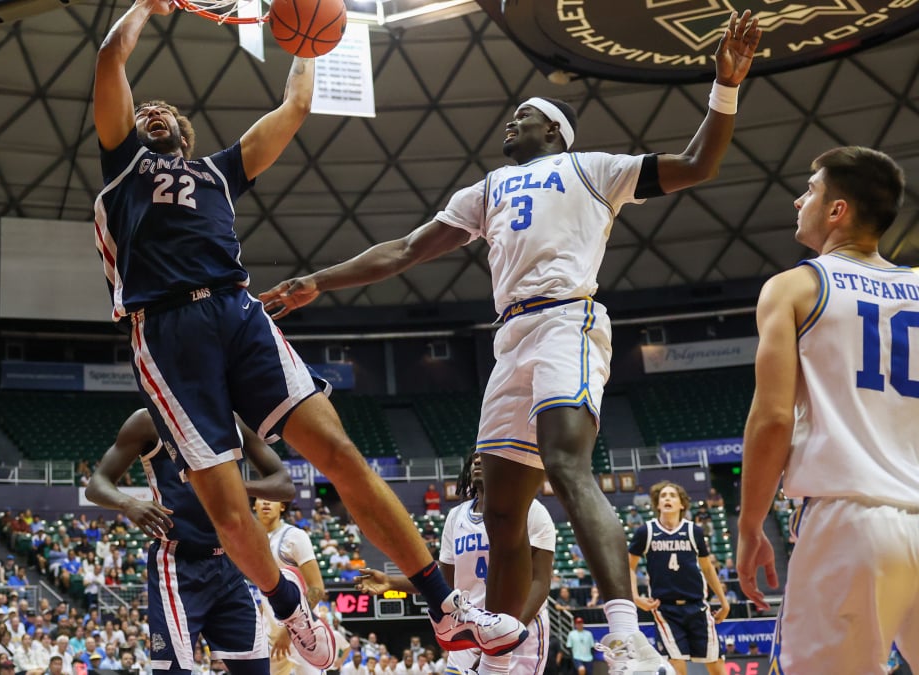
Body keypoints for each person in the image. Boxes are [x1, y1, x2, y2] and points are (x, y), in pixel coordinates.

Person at [259, 11, 761, 672]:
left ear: (553, 128)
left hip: (566, 320)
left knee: (567, 464)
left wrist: (723, 87)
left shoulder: (592, 168)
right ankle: (499, 641)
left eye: (522, 115)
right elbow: (407, 249)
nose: (508, 122)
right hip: (513, 335)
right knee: (500, 508)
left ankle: (626, 636)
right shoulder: (487, 188)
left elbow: (699, 163)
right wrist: (316, 281)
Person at [90, 0, 521, 663]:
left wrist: (309, 34)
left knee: (340, 452)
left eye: (167, 111)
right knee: (227, 507)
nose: (153, 111)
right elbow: (110, 58)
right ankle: (291, 607)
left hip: (238, 311)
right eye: (144, 109)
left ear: (187, 132)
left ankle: (444, 606)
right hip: (167, 329)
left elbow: (293, 108)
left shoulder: (219, 174)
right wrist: (147, 5)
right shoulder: (123, 165)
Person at [737, 146, 918, 674]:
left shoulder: (795, 286)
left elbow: (772, 419)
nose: (800, 199)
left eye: (811, 190)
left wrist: (751, 526)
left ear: (837, 210)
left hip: (851, 519)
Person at [85, 409, 294, 675]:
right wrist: (129, 504)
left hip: (227, 565)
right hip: (177, 566)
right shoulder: (148, 420)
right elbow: (96, 485)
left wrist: (235, 486)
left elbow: (284, 485)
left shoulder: (234, 419)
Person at [356, 451, 556, 675]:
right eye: (474, 458)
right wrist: (392, 582)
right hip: (469, 626)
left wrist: (505, 634)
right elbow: (445, 582)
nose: (477, 460)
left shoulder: (532, 511)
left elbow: (540, 582)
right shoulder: (455, 517)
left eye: (486, 456)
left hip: (520, 632)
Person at [628, 482, 728, 675]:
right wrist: (635, 597)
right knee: (676, 666)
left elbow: (707, 568)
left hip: (698, 606)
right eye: (663, 496)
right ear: (657, 505)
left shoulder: (694, 531)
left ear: (682, 504)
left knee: (717, 668)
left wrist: (724, 602)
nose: (667, 498)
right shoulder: (646, 532)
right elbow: (628, 567)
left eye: (672, 495)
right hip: (666, 609)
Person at [252, 495, 329, 675]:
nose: (266, 502)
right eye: (261, 498)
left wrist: (289, 632)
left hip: (304, 635)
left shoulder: (295, 536)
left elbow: (317, 589)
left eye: (272, 498)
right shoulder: (252, 540)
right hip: (270, 638)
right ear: (254, 505)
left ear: (282, 506)